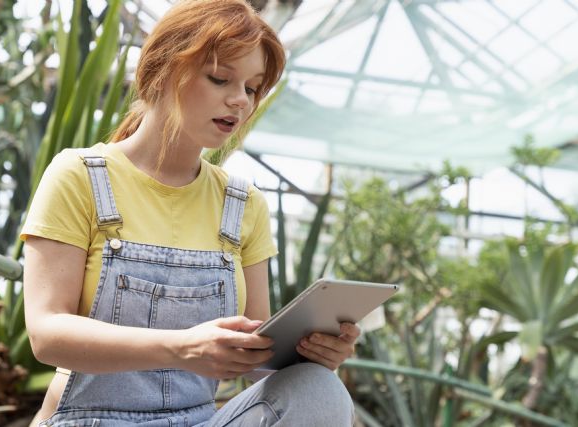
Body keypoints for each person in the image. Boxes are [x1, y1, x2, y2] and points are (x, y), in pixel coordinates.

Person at [21, 1, 359, 425]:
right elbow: (46, 334)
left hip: (200, 420)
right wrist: (181, 347)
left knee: (318, 388)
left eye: (252, 88)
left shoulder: (244, 204)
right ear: (162, 71)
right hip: (87, 419)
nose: (240, 101)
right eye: (221, 79)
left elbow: (256, 359)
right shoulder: (81, 177)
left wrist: (315, 354)